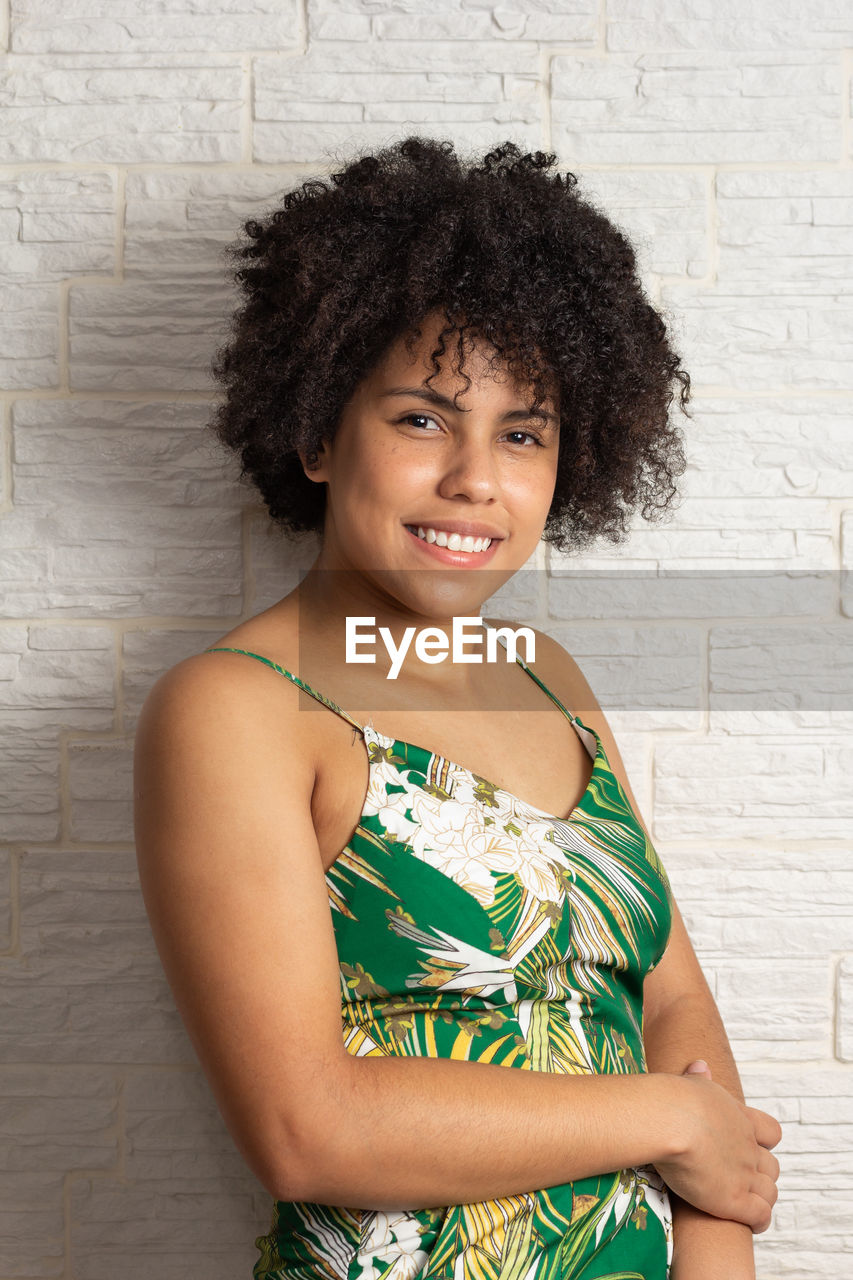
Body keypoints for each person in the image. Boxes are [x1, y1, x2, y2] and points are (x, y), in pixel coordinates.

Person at [132, 137, 781, 1280]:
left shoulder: (547, 675)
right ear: (317, 431)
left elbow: (669, 994)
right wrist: (671, 1125)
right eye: (424, 418)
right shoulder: (233, 712)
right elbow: (305, 1125)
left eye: (522, 431)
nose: (476, 477)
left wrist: (718, 1249)